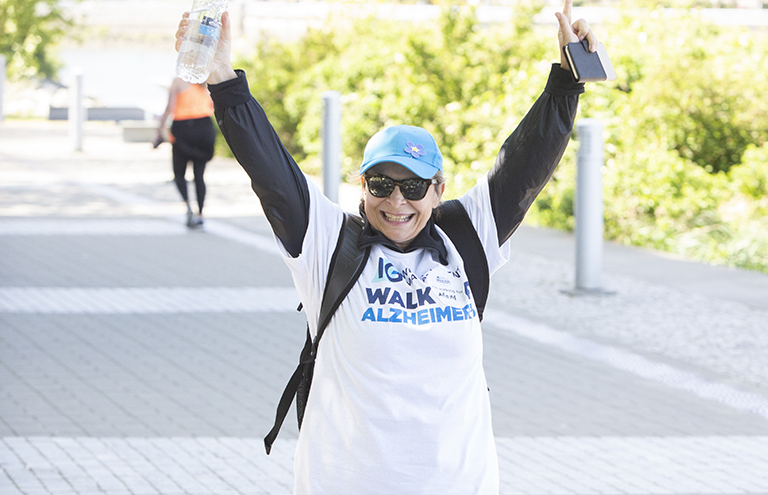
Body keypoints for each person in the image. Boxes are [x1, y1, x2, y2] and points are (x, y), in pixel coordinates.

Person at [175, 0, 596, 492]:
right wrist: (223, 79)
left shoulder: (466, 237)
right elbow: (270, 168)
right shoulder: (328, 242)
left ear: (439, 190)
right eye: (381, 184)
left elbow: (526, 161)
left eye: (414, 186)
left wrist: (567, 82)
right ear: (362, 186)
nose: (397, 200)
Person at [155, 77, 216, 229]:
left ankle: (188, 206)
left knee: (179, 174)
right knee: (199, 174)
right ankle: (201, 214)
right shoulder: (206, 80)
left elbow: (170, 107)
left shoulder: (178, 81)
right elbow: (214, 105)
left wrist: (159, 130)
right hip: (205, 127)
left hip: (183, 128)